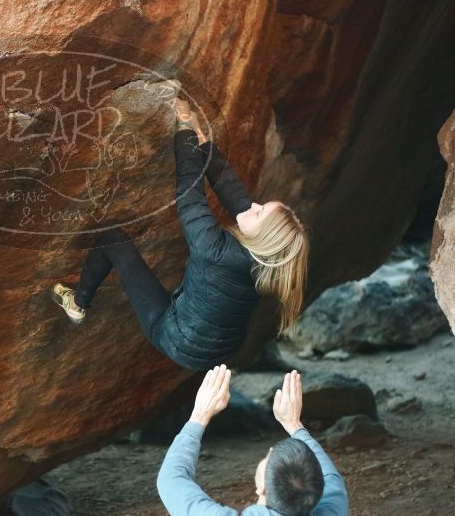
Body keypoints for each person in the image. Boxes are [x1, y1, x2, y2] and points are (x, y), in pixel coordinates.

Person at [51, 84, 309, 370]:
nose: (254, 206)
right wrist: (201, 139)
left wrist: (185, 128)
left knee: (113, 240)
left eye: (259, 212)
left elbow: (190, 193)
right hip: (222, 350)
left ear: (262, 236)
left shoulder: (212, 250)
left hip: (178, 341)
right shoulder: (267, 260)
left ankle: (77, 303)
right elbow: (234, 193)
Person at [157, 366, 348, 515]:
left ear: (262, 488)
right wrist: (294, 424)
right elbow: (332, 478)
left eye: (269, 457)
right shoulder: (333, 509)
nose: (271, 450)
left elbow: (170, 478)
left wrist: (199, 415)